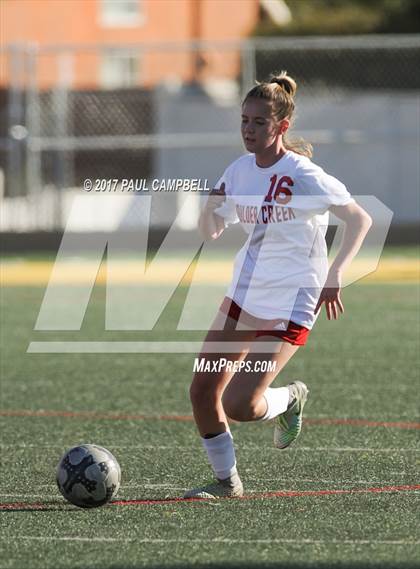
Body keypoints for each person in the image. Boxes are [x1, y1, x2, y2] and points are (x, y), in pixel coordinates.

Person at [184, 71, 372, 499]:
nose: (249, 130)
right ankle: (226, 482)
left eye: (259, 123)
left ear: (282, 126)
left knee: (240, 404)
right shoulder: (238, 170)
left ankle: (289, 398)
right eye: (244, 121)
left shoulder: (304, 174)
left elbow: (360, 219)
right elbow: (212, 229)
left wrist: (335, 273)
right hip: (245, 294)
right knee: (202, 389)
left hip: (292, 299)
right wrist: (210, 206)